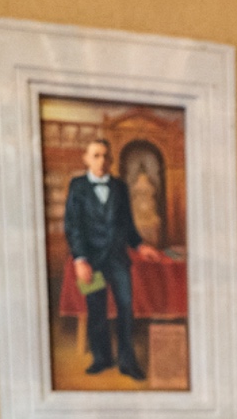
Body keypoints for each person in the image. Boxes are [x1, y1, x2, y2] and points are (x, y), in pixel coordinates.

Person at [64, 139, 165, 378]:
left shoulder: (120, 186)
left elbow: (128, 225)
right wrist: (80, 259)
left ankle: (127, 362)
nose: (102, 161)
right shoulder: (77, 186)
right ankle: (102, 358)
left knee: (126, 308)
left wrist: (140, 245)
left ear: (110, 160)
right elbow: (73, 226)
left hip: (118, 261)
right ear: (86, 159)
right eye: (96, 155)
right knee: (96, 309)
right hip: (91, 261)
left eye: (105, 156)